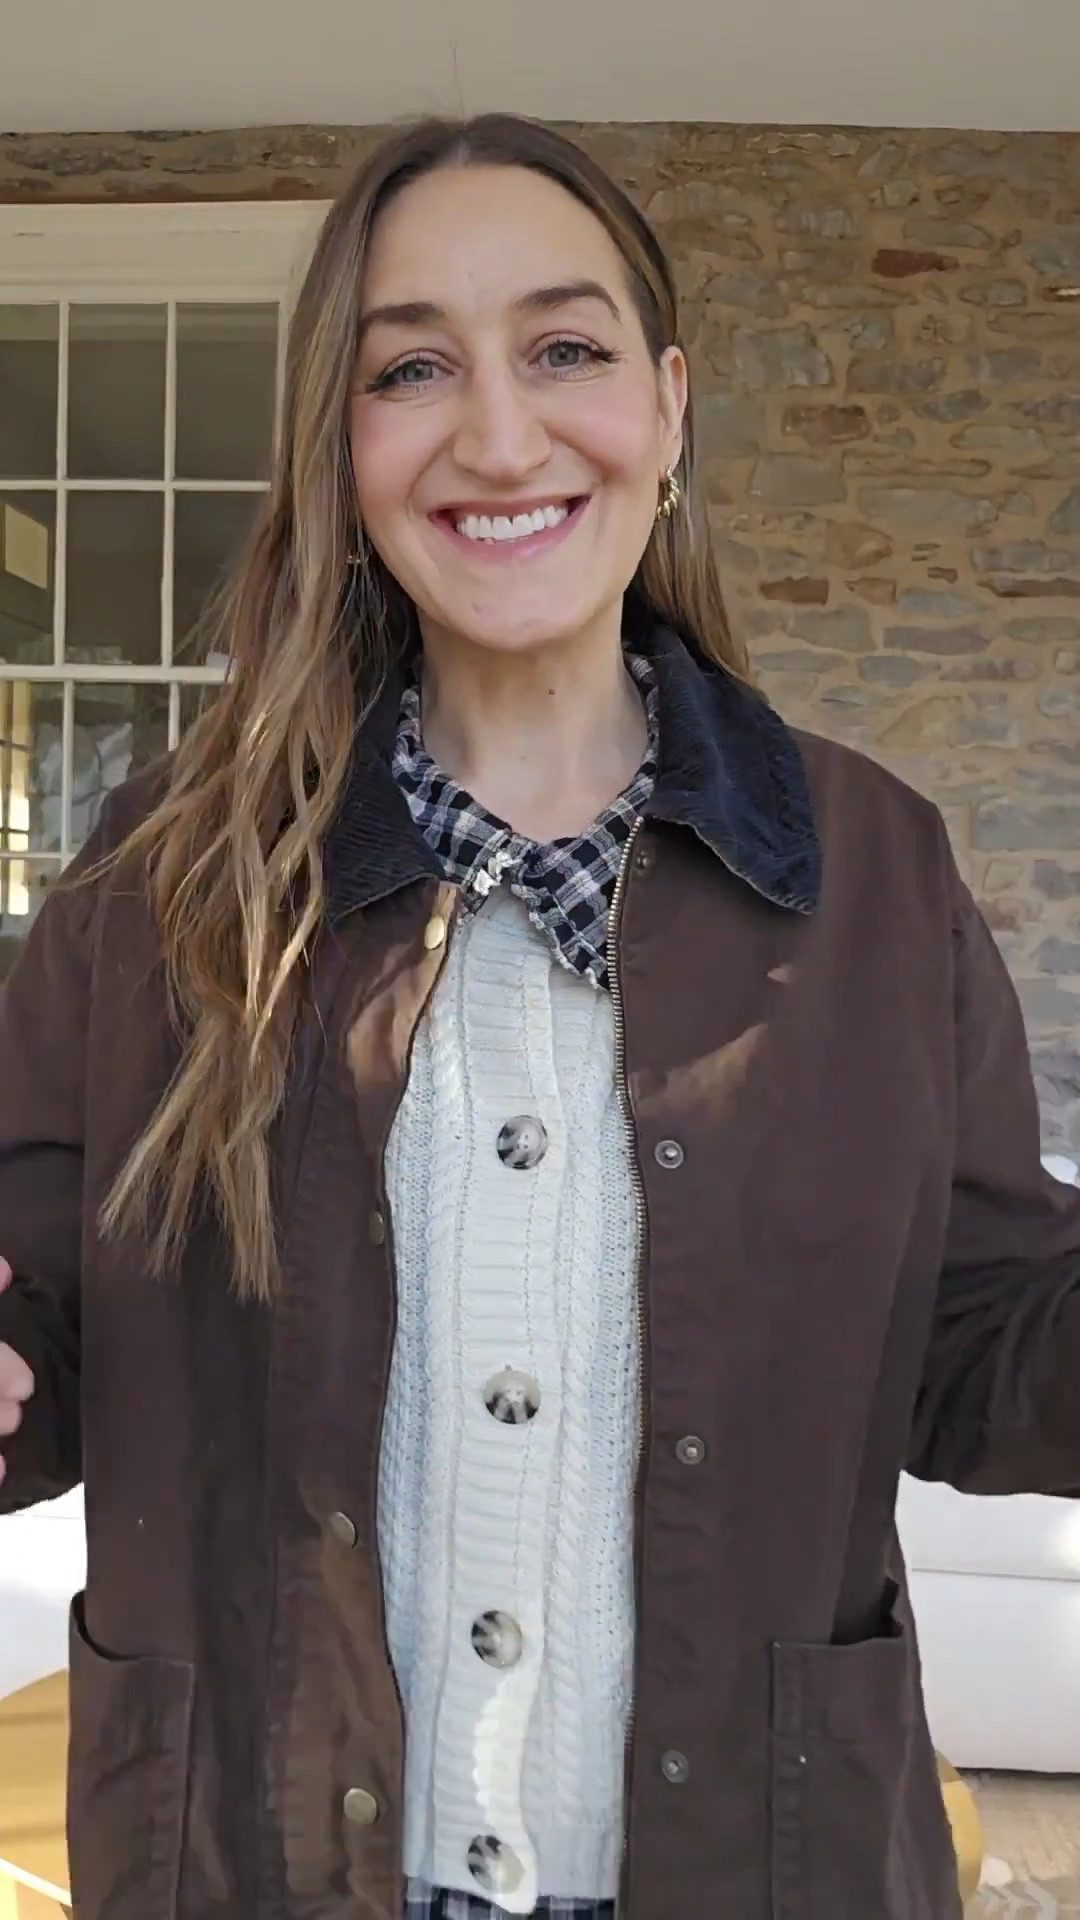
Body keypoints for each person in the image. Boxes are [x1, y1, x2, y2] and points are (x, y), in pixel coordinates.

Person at [0, 113, 1078, 1920]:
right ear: (339, 448)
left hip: (760, 1860)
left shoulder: (874, 867)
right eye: (411, 367)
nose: (499, 435)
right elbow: (46, 1305)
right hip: (250, 1867)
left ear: (667, 405)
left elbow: (982, 1346)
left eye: (563, 349)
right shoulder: (160, 879)